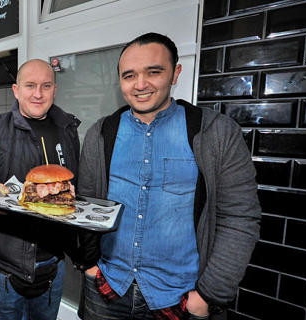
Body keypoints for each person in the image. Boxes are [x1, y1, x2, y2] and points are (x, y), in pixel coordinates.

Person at [77, 32, 261, 320]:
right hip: (107, 289)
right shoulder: (101, 134)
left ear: (175, 73)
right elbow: (84, 207)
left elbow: (240, 218)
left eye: (154, 72)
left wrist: (208, 295)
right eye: (129, 75)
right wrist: (89, 265)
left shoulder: (216, 133)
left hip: (180, 300)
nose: (140, 85)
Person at [0, 59, 83, 320]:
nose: (38, 93)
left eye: (46, 86)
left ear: (55, 89)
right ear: (16, 90)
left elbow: (76, 186)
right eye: (30, 86)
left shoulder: (68, 129)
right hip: (7, 270)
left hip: (54, 263)